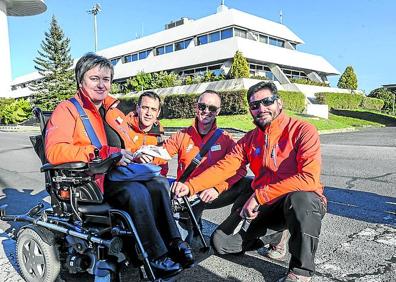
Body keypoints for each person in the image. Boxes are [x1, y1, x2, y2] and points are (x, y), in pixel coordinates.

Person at [45, 53, 193, 278]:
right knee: (137, 191)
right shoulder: (67, 110)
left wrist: (135, 155)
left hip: (117, 173)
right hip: (90, 181)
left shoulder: (112, 111)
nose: (102, 84)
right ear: (80, 80)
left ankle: (173, 242)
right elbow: (54, 151)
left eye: (106, 79)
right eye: (95, 78)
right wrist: (104, 153)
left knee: (159, 183)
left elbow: (126, 143)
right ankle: (154, 256)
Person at [171, 82, 327, 282]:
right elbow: (225, 167)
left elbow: (308, 178)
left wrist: (259, 196)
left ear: (279, 102)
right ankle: (278, 232)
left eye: (267, 101)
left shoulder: (303, 130)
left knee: (301, 200)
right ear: (250, 110)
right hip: (266, 206)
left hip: (297, 201)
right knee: (221, 243)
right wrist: (190, 186)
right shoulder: (249, 140)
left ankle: (300, 272)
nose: (261, 108)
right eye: (255, 105)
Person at [164, 90, 250, 243]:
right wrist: (144, 157)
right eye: (202, 106)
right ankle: (194, 223)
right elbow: (161, 156)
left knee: (249, 184)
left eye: (212, 108)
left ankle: (229, 231)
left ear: (218, 111)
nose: (206, 111)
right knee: (184, 244)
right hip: (188, 195)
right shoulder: (181, 135)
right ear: (196, 107)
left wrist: (218, 187)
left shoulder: (226, 139)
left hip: (212, 193)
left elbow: (241, 169)